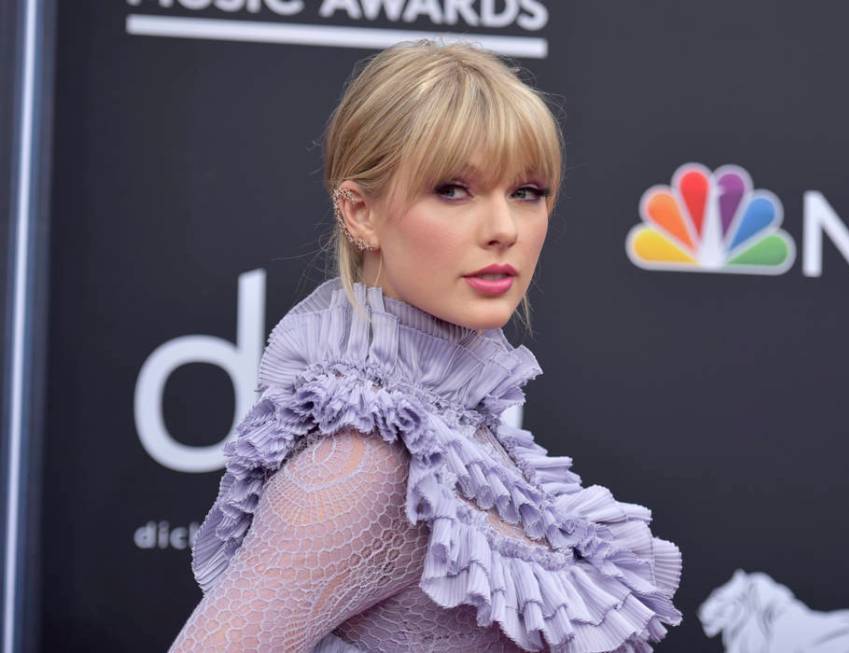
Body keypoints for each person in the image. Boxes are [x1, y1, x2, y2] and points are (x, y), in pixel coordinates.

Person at [169, 39, 682, 653]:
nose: (503, 230)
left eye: (527, 192)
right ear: (359, 212)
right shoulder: (364, 463)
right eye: (452, 190)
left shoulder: (458, 431)